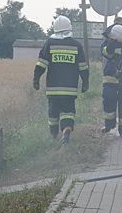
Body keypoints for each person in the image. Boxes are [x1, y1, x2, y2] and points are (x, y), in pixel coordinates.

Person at [33, 15, 89, 144]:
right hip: (70, 89)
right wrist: (85, 82)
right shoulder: (76, 45)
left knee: (53, 113)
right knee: (68, 112)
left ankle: (53, 136)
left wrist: (36, 78)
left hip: (53, 89)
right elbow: (83, 67)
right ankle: (66, 130)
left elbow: (41, 63)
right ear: (69, 28)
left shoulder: (50, 43)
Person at [100, 17, 122, 135]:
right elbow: (105, 53)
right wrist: (112, 43)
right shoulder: (109, 39)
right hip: (110, 76)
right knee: (108, 100)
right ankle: (109, 125)